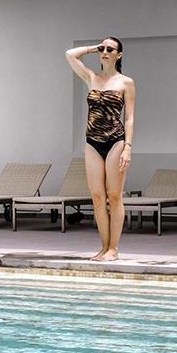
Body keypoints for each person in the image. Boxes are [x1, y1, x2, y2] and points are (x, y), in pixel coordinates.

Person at [65, 37, 136, 261]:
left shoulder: (126, 82)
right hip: (92, 141)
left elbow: (130, 118)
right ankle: (103, 247)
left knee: (114, 196)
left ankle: (114, 248)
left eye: (110, 49)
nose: (104, 52)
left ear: (119, 55)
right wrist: (92, 48)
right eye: (102, 48)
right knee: (97, 196)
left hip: (115, 140)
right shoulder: (91, 77)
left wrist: (128, 147)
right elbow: (69, 54)